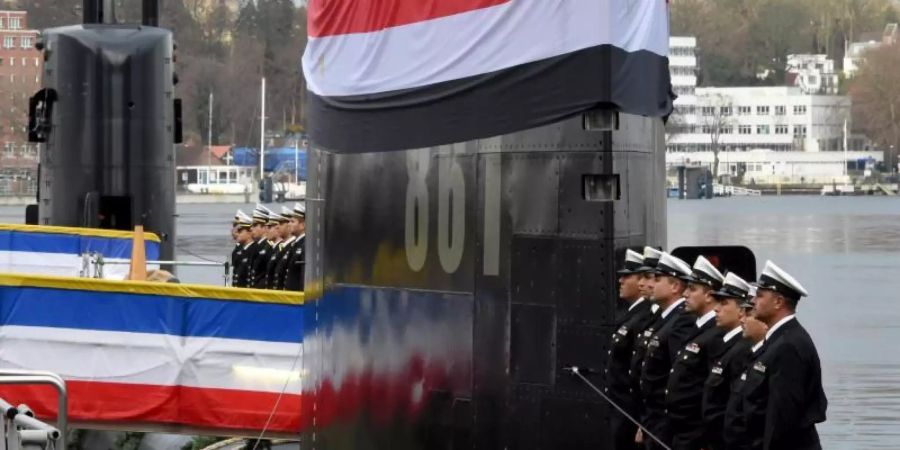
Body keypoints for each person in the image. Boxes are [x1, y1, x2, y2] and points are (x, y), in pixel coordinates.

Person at [741, 261, 827, 450]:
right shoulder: (778, 340)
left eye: (760, 296)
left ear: (778, 302)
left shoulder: (788, 345)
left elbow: (782, 418)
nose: (753, 302)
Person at [666, 256, 726, 450]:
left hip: (697, 436)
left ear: (709, 295)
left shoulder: (715, 335)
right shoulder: (697, 329)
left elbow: (714, 394)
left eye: (692, 289)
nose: (685, 294)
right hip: (682, 432)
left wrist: (706, 439)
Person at [639, 252, 697, 450]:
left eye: (657, 279)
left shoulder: (681, 322)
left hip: (665, 421)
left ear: (674, 286)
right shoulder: (665, 319)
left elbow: (678, 375)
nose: (651, 285)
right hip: (653, 419)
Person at [605, 249, 658, 450]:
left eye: (627, 276)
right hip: (621, 409)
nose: (620, 281)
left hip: (630, 411)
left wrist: (640, 421)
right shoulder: (632, 315)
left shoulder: (645, 317)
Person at [702, 272, 753, 450]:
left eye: (724, 303)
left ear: (741, 311)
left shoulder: (742, 349)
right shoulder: (727, 344)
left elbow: (735, 408)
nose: (716, 309)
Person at [629, 246, 662, 447]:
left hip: (658, 420)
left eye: (650, 278)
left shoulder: (675, 323)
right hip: (646, 415)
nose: (642, 283)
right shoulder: (650, 316)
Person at [272, 205, 298, 290]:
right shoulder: (283, 247)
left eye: (281, 223)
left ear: (289, 225)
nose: (277, 226)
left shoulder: (293, 246)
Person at [283, 202, 306, 291]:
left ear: (302, 225)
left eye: (292, 221)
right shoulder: (295, 245)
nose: (289, 224)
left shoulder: (305, 245)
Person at [248, 204, 272, 289]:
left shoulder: (269, 247)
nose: (251, 229)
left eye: (254, 225)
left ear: (264, 227)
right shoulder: (257, 246)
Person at [231, 211, 255, 287]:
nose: (236, 232)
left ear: (249, 231)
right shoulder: (241, 249)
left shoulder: (254, 250)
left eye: (240, 230)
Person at [263, 211, 286, 289]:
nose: (267, 231)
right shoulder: (272, 248)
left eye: (270, 227)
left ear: (277, 228)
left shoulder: (281, 248)